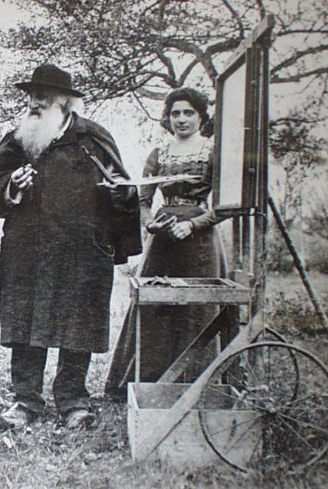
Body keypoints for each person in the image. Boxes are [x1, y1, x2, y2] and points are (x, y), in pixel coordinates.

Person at [0, 64, 141, 430]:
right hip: (28, 250)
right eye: (32, 95)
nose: (34, 102)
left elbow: (123, 189)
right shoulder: (18, 140)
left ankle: (73, 401)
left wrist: (120, 195)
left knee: (77, 325)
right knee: (25, 325)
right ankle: (25, 401)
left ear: (65, 101)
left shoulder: (92, 139)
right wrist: (13, 185)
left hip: (81, 252)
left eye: (44, 96)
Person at [105, 87, 227, 399]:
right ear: (168, 118)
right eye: (175, 113)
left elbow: (225, 204)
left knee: (199, 308)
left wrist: (193, 225)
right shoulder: (158, 154)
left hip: (200, 241)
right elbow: (143, 201)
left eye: (188, 113)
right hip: (162, 241)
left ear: (201, 117)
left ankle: (200, 385)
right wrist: (151, 224)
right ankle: (145, 383)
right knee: (154, 304)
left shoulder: (213, 152)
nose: (181, 119)